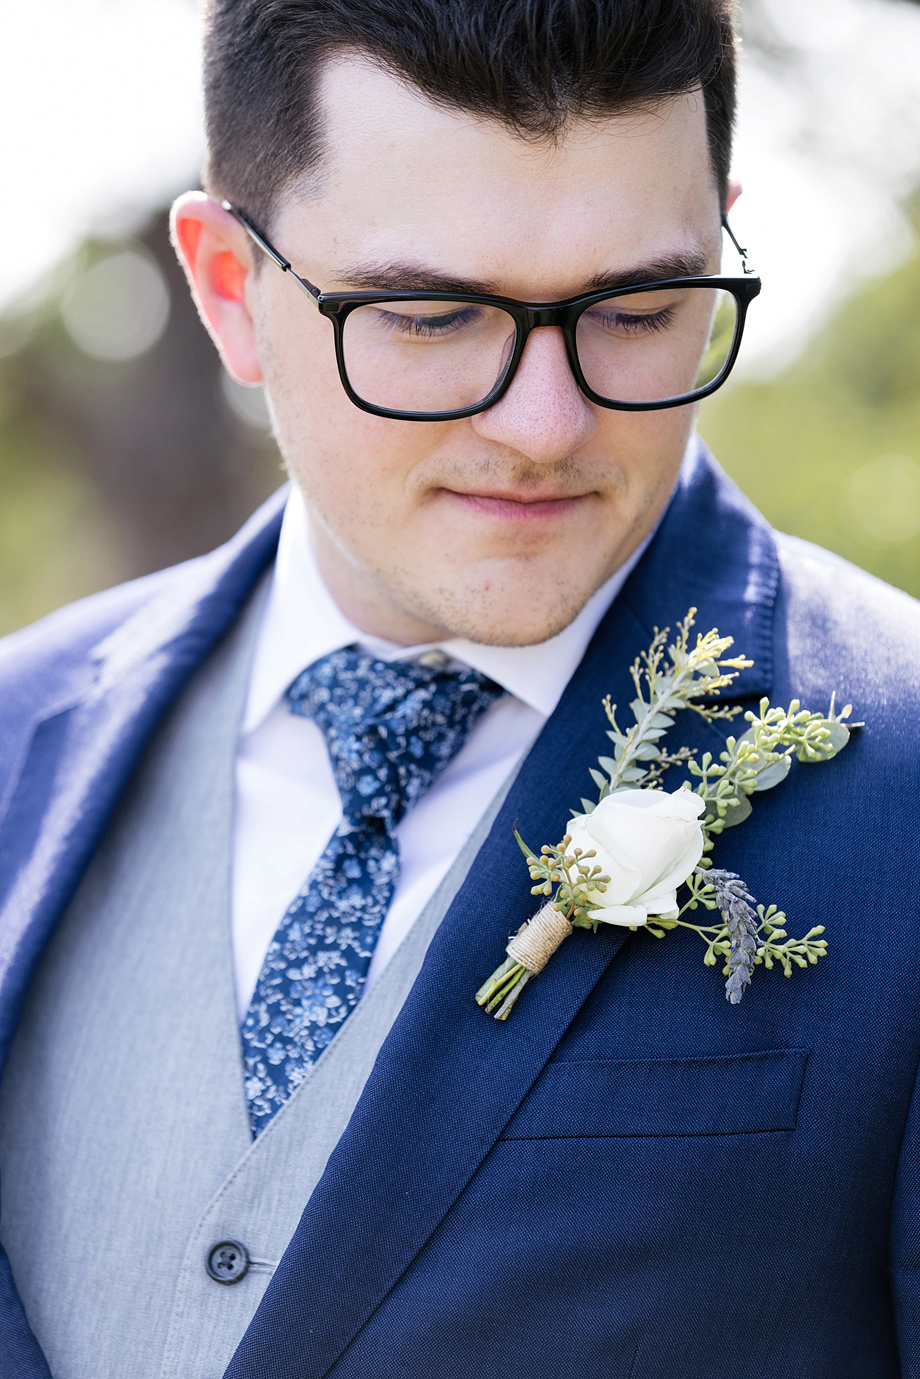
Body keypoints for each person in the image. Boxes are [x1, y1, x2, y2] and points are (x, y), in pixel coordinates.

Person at [1, 1, 919, 1375]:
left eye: (638, 309)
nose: (545, 427)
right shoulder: (20, 735)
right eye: (430, 315)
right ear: (230, 288)